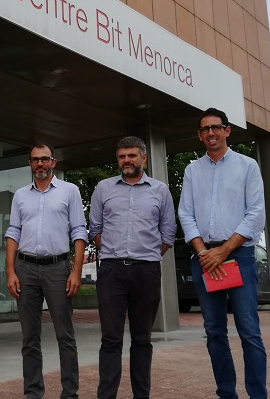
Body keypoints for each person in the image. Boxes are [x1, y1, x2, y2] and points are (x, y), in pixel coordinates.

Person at [178, 108, 267, 399]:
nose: (211, 133)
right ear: (199, 135)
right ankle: (226, 393)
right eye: (205, 129)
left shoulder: (247, 166)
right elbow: (185, 214)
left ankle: (258, 395)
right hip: (204, 259)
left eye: (216, 127)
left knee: (249, 331)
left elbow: (255, 214)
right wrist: (205, 252)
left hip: (238, 255)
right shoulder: (192, 170)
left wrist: (224, 250)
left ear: (227, 130)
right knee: (215, 331)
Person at [88, 136, 177, 399]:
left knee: (141, 339)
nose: (126, 161)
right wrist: (114, 253)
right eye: (122, 156)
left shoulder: (160, 190)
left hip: (146, 272)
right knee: (111, 340)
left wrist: (146, 256)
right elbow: (95, 228)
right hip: (111, 272)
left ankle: (142, 395)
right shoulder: (103, 189)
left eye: (132, 155)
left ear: (143, 158)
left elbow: (168, 234)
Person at [4, 144, 88, 399]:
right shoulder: (20, 195)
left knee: (65, 336)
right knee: (30, 338)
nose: (40, 164)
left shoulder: (69, 191)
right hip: (25, 269)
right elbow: (13, 232)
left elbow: (79, 231)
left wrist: (76, 271)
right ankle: (33, 393)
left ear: (53, 162)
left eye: (44, 159)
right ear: (29, 163)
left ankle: (69, 393)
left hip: (58, 269)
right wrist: (10, 271)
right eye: (35, 160)